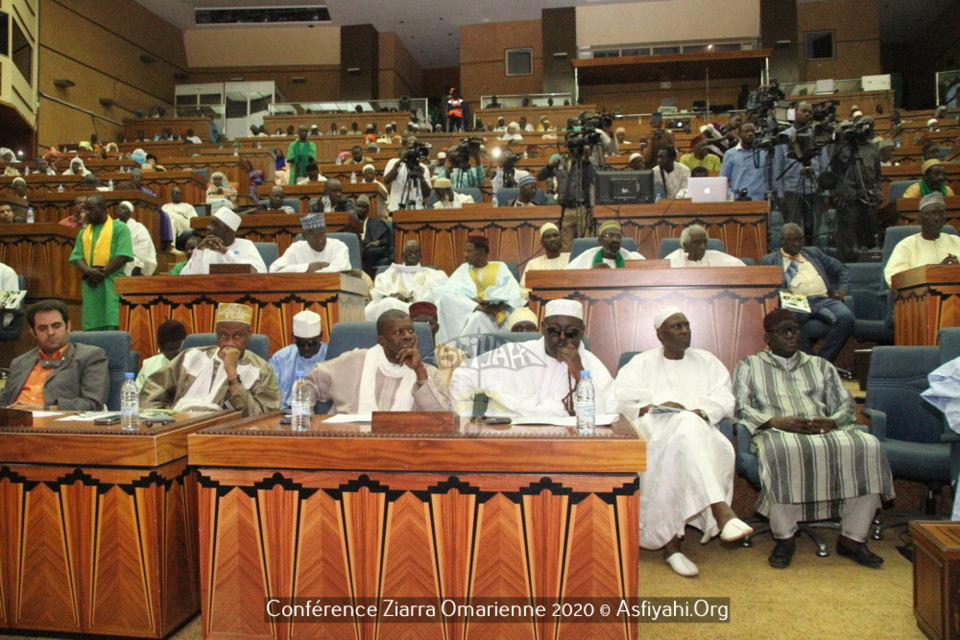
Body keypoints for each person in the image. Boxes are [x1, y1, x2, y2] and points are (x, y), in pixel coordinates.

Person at [732, 309, 894, 569]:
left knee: (868, 446)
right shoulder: (750, 365)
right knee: (783, 452)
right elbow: (739, 406)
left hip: (822, 430)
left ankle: (852, 538)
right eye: (783, 331)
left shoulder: (820, 365)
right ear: (768, 338)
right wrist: (774, 421)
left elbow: (846, 405)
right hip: (777, 433)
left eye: (794, 330)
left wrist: (832, 421)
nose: (790, 336)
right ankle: (785, 538)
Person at [615, 308, 751, 577]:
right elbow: (620, 400)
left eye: (686, 325)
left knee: (686, 430)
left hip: (700, 431)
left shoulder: (707, 361)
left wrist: (699, 412)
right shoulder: (641, 363)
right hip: (654, 432)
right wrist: (653, 406)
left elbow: (725, 398)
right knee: (680, 432)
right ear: (660, 334)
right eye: (676, 327)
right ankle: (721, 510)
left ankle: (672, 546)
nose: (684, 331)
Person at [450, 299, 616, 417]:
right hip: (509, 441)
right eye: (554, 331)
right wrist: (467, 421)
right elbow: (463, 374)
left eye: (571, 332)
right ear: (543, 328)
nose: (563, 338)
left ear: (582, 332)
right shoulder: (514, 354)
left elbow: (606, 414)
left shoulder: (591, 364)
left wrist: (580, 374)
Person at [141, 303, 280, 416]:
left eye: (238, 336)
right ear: (216, 333)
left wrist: (231, 371)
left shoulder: (261, 370)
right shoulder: (191, 356)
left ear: (250, 333)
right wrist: (158, 420)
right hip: (177, 425)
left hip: (221, 434)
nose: (230, 343)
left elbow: (262, 417)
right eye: (224, 336)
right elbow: (152, 391)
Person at [304, 309, 451, 413]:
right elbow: (308, 384)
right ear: (382, 340)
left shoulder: (428, 373)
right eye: (399, 332)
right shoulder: (354, 361)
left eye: (411, 331)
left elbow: (442, 419)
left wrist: (420, 372)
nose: (407, 336)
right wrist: (304, 418)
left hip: (403, 449)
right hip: (350, 443)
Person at [760, 223, 853, 362]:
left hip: (823, 299)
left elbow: (842, 269)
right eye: (792, 240)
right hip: (796, 301)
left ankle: (822, 361)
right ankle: (808, 361)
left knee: (846, 318)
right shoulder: (769, 260)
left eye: (799, 240)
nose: (797, 244)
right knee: (792, 322)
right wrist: (783, 293)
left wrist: (843, 290)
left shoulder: (813, 252)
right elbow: (766, 287)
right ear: (782, 240)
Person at [0, 299, 108, 410]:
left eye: (56, 326)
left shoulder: (90, 356)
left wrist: (44, 410)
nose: (50, 333)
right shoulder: (20, 362)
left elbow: (92, 404)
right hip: (13, 423)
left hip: (55, 424)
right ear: (33, 332)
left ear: (68, 326)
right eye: (42, 328)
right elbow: (4, 399)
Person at [433, 234, 526, 346]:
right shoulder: (464, 268)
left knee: (477, 318)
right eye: (465, 251)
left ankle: (465, 352)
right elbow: (449, 291)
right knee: (445, 296)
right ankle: (483, 310)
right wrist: (471, 300)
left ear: (481, 251)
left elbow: (512, 293)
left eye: (469, 251)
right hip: (469, 311)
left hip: (498, 315)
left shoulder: (500, 267)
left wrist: (497, 305)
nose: (465, 255)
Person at [68, 194, 133, 330]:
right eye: (85, 209)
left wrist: (101, 274)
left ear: (104, 208)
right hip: (91, 284)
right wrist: (88, 271)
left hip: (111, 283)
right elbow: (76, 257)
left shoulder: (120, 228)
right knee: (91, 327)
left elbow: (123, 255)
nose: (86, 213)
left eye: (90, 209)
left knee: (113, 324)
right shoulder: (83, 232)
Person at [829, 117, 883, 261]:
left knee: (867, 238)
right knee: (846, 239)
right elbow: (834, 170)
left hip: (869, 197)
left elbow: (878, 173)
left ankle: (866, 262)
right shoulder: (844, 147)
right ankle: (847, 264)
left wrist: (878, 191)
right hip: (848, 197)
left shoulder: (873, 148)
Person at [774, 103, 829, 245]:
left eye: (810, 112)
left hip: (814, 188)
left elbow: (824, 165)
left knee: (814, 229)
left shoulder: (817, 136)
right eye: (804, 111)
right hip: (792, 189)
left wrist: (826, 191)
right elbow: (777, 166)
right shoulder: (784, 136)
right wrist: (780, 194)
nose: (807, 114)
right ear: (795, 112)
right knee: (794, 229)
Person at [884, 192, 960, 285]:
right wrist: (936, 271)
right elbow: (894, 279)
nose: (937, 218)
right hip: (919, 297)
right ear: (920, 218)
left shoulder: (957, 242)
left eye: (941, 213)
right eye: (931, 213)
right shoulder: (906, 246)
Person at [537, 133, 596, 250]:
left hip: (582, 208)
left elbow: (593, 178)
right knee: (565, 246)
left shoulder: (587, 163)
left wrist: (586, 159)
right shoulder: (560, 162)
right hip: (565, 210)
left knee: (584, 245)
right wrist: (549, 166)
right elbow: (540, 176)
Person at [365, 240, 448, 321]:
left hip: (418, 309)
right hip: (393, 307)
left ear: (420, 256)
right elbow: (378, 294)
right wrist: (392, 295)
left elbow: (433, 297)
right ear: (402, 255)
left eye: (416, 253)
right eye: (409, 252)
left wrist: (411, 298)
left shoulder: (433, 275)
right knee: (389, 302)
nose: (413, 256)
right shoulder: (389, 274)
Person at [179, 207, 267, 274]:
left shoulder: (246, 246)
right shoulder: (204, 248)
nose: (208, 227)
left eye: (214, 225)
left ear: (227, 230)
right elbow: (187, 276)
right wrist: (198, 251)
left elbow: (260, 273)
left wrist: (224, 251)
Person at [269, 310, 328, 409]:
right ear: (293, 337)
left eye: (311, 343)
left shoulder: (330, 356)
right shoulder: (281, 358)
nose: (306, 348)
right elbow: (270, 394)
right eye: (300, 343)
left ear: (321, 336)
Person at [407, 301, 465, 389]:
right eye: (418, 323)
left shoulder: (456, 355)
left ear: (437, 328)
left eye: (428, 323)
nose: (424, 327)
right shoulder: (402, 354)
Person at [270, 213, 351, 273]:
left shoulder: (338, 246)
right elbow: (274, 270)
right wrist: (308, 267)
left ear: (326, 231)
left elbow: (340, 270)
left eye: (322, 234)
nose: (319, 240)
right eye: (313, 237)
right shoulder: (296, 248)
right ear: (305, 237)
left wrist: (306, 272)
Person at [719, 122, 768, 201]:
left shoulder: (763, 153)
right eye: (746, 131)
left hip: (759, 198)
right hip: (738, 198)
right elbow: (724, 178)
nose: (750, 133)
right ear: (739, 135)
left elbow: (767, 177)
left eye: (752, 131)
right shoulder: (730, 154)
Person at [565, 221, 644, 269]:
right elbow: (567, 277)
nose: (615, 240)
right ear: (600, 241)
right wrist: (591, 275)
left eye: (618, 237)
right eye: (609, 236)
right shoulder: (587, 256)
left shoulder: (631, 257)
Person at [135, 320, 188, 391]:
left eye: (174, 349)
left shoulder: (193, 364)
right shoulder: (149, 366)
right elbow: (136, 395)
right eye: (168, 349)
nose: (171, 354)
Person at [383, 136, 432, 213]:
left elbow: (426, 194)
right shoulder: (393, 162)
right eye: (410, 146)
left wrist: (421, 176)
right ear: (404, 146)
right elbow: (386, 181)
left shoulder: (423, 168)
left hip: (417, 209)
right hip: (396, 208)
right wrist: (400, 161)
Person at [520, 222, 569, 297]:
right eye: (548, 237)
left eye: (555, 235)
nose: (552, 239)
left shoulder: (571, 258)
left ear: (560, 239)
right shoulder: (533, 264)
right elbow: (524, 289)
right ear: (542, 243)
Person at [666, 224, 746, 268]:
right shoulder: (674, 260)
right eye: (697, 243)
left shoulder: (716, 257)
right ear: (686, 245)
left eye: (705, 242)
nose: (703, 247)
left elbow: (741, 268)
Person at [116, 200, 157, 277]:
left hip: (133, 257)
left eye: (123, 208)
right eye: (119, 208)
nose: (120, 210)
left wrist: (127, 253)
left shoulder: (138, 227)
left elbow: (144, 247)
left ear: (130, 213)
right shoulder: (112, 226)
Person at [356, 192, 392, 278]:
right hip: (360, 248)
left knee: (370, 252)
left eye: (363, 207)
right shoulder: (352, 223)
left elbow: (387, 240)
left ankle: (367, 278)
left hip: (374, 249)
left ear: (368, 209)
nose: (360, 209)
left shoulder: (376, 222)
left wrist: (377, 242)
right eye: (358, 206)